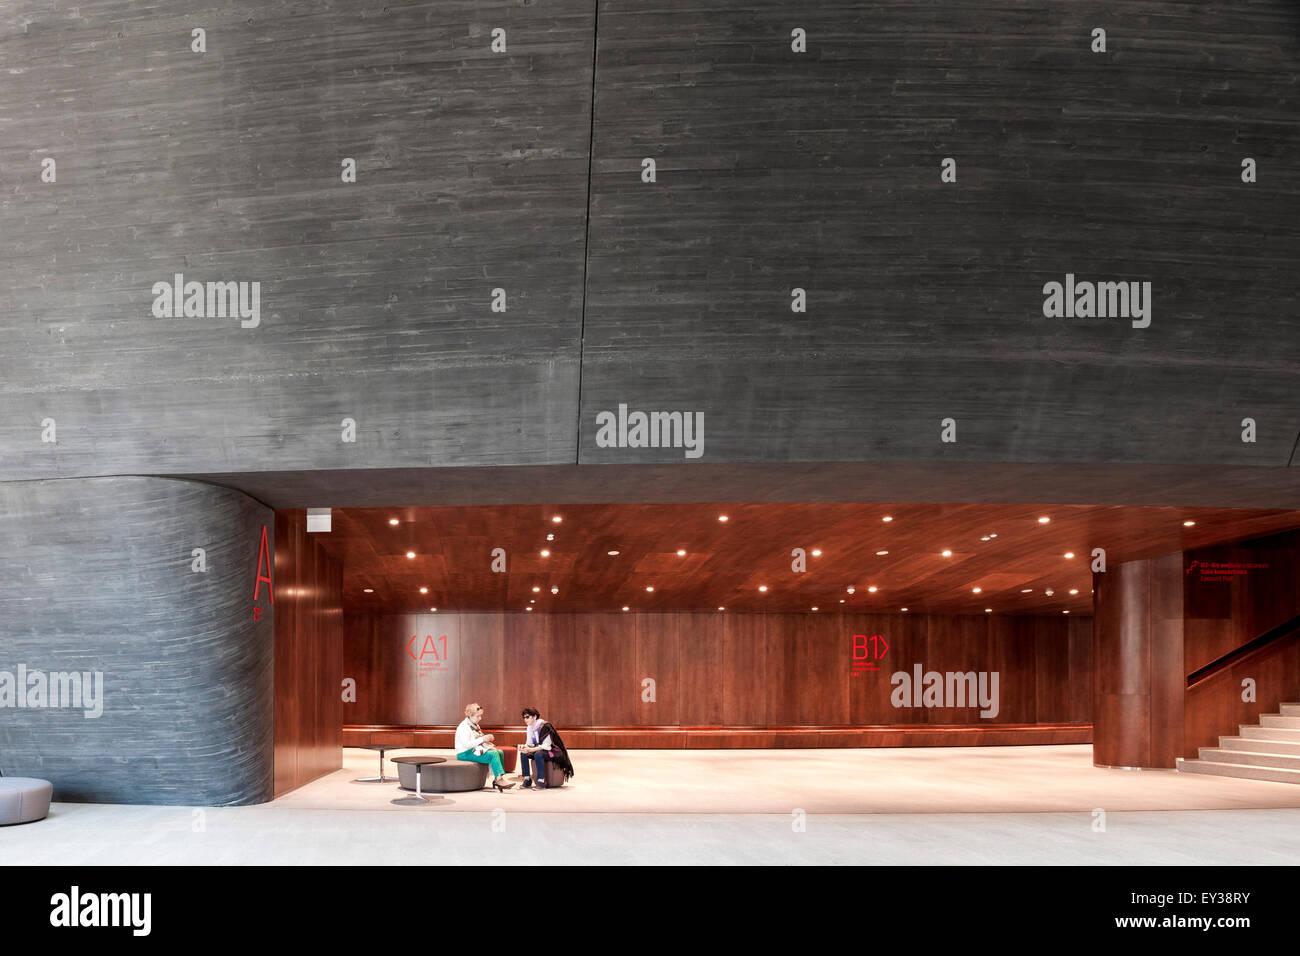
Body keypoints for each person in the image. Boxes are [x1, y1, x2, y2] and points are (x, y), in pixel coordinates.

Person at [455, 702, 514, 791]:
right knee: (493, 754)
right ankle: (499, 780)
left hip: (473, 750)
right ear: (471, 715)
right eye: (478, 716)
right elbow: (467, 745)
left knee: (499, 752)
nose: (480, 718)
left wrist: (489, 744)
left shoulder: (474, 724)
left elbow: (478, 740)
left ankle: (496, 779)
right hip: (464, 753)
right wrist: (483, 739)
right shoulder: (464, 727)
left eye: (480, 716)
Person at [518, 706, 574, 790]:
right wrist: (524, 747)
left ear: (535, 717)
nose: (525, 719)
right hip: (539, 749)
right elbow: (529, 743)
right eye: (524, 717)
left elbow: (547, 746)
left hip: (553, 751)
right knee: (523, 753)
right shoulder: (529, 728)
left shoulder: (545, 726)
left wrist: (531, 749)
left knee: (538, 754)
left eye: (527, 717)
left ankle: (541, 781)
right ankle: (527, 779)